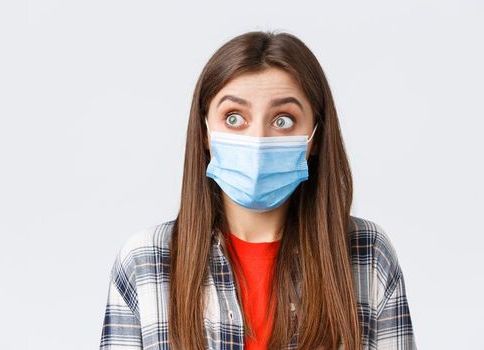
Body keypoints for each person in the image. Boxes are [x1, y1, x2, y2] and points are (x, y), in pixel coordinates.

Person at [98, 31, 416, 350]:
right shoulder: (147, 260)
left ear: (315, 137)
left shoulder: (366, 253)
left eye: (283, 121)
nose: (258, 140)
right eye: (234, 118)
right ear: (205, 133)